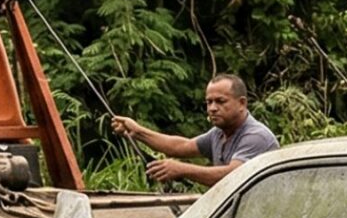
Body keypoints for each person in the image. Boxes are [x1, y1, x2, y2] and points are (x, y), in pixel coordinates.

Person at [112, 73, 279, 185]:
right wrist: (138, 132)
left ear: (242, 103)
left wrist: (182, 169)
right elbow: (180, 146)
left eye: (220, 101)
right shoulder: (219, 133)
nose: (212, 108)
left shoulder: (256, 136)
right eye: (209, 102)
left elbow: (233, 176)